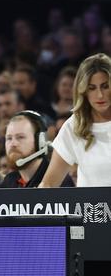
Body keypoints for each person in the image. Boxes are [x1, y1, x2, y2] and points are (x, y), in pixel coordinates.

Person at [41, 53, 111, 187]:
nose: (100, 95)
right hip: (90, 207)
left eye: (105, 86)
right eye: (91, 88)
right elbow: (49, 185)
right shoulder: (75, 126)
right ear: (83, 90)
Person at [2, 111, 74, 188]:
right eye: (9, 138)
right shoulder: (9, 181)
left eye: (20, 137)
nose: (13, 144)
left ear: (40, 142)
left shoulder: (58, 180)